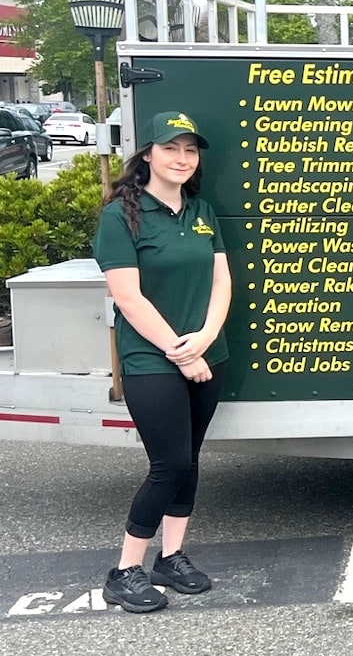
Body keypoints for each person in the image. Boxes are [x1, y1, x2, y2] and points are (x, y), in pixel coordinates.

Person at [92, 111, 231, 614]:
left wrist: (208, 338)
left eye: (190, 150)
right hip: (152, 360)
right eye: (171, 148)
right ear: (147, 154)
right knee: (168, 464)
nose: (181, 158)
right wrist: (182, 351)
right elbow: (128, 298)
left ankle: (170, 559)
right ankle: (124, 570)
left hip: (207, 354)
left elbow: (222, 281)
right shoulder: (120, 216)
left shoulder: (202, 211)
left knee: (189, 461)